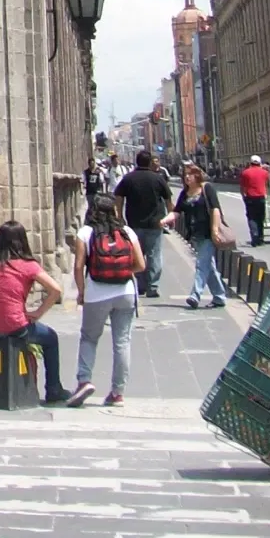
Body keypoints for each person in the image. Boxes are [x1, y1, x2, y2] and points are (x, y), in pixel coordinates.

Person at [0, 220, 69, 404]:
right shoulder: (28, 265)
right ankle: (53, 389)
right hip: (14, 325)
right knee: (51, 338)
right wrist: (39, 312)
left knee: (1, 336)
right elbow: (56, 289)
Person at [67, 192, 144, 406]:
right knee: (122, 341)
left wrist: (81, 292)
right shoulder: (127, 231)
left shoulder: (86, 232)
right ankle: (117, 392)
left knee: (89, 338)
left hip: (96, 292)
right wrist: (124, 272)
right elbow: (141, 265)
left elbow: (78, 266)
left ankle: (84, 381)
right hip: (125, 292)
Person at [168, 162, 228, 307]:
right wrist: (164, 220)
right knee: (209, 266)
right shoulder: (185, 193)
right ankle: (219, 297)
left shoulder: (206, 188)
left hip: (208, 233)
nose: (187, 177)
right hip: (195, 234)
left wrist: (214, 230)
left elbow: (215, 210)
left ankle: (195, 295)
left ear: (197, 175)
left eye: (190, 174)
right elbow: (177, 211)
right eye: (185, 175)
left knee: (201, 264)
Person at [115, 150, 172, 297]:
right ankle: (153, 286)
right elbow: (168, 200)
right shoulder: (158, 179)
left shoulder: (128, 179)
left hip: (134, 223)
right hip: (155, 223)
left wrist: (119, 216)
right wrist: (170, 217)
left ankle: (140, 285)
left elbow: (119, 198)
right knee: (155, 255)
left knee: (137, 255)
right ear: (149, 163)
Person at [239, 155, 270, 247]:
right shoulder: (264, 172)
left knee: (251, 218)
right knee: (260, 218)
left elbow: (242, 187)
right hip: (261, 197)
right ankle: (261, 238)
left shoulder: (245, 173)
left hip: (250, 197)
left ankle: (254, 237)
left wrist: (243, 196)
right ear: (260, 162)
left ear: (250, 162)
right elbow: (268, 181)